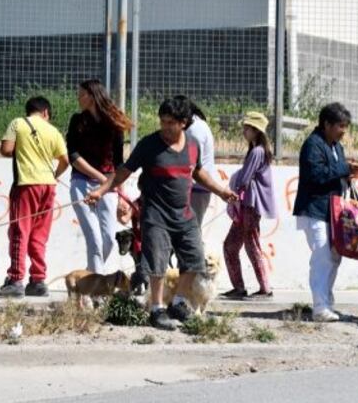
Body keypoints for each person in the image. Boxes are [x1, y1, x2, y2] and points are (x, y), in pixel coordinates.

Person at [85, 97, 237, 330]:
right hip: (155, 214)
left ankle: (178, 303)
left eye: (170, 123)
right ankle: (156, 310)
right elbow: (124, 171)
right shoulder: (149, 145)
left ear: (183, 123)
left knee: (195, 258)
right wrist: (101, 191)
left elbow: (198, 173)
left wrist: (222, 191)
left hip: (183, 214)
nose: (164, 127)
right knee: (156, 264)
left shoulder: (192, 146)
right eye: (162, 121)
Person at [293, 102, 358, 322]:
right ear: (326, 124)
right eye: (340, 126)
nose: (343, 131)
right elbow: (316, 174)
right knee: (322, 257)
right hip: (315, 210)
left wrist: (349, 172)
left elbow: (333, 173)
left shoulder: (336, 146)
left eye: (345, 126)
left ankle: (326, 302)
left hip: (331, 211)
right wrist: (345, 168)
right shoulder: (312, 145)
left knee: (334, 257)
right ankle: (319, 307)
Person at [0, 96, 70, 298]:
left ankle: (15, 279)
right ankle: (38, 280)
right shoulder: (53, 131)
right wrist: (53, 176)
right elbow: (65, 161)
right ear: (46, 112)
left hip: (26, 184)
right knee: (39, 234)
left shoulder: (18, 123)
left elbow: (6, 149)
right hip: (48, 186)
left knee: (20, 231)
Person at [66, 79, 131, 272]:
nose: (79, 97)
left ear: (93, 96)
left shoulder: (114, 123)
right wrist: (102, 179)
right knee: (94, 237)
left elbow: (119, 162)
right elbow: (73, 156)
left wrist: (121, 193)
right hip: (81, 182)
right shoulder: (77, 121)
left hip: (110, 185)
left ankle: (90, 276)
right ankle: (97, 288)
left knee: (109, 239)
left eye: (82, 93)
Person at [222, 111, 277, 300]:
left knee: (251, 246)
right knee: (231, 246)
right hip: (246, 205)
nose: (244, 131)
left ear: (256, 130)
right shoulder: (257, 151)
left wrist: (233, 191)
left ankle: (265, 288)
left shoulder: (257, 152)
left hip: (250, 206)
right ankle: (239, 287)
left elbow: (245, 178)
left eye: (247, 128)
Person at [186, 101, 220, 227]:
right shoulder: (198, 126)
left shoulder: (195, 129)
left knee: (192, 229)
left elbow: (192, 161)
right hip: (199, 187)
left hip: (197, 187)